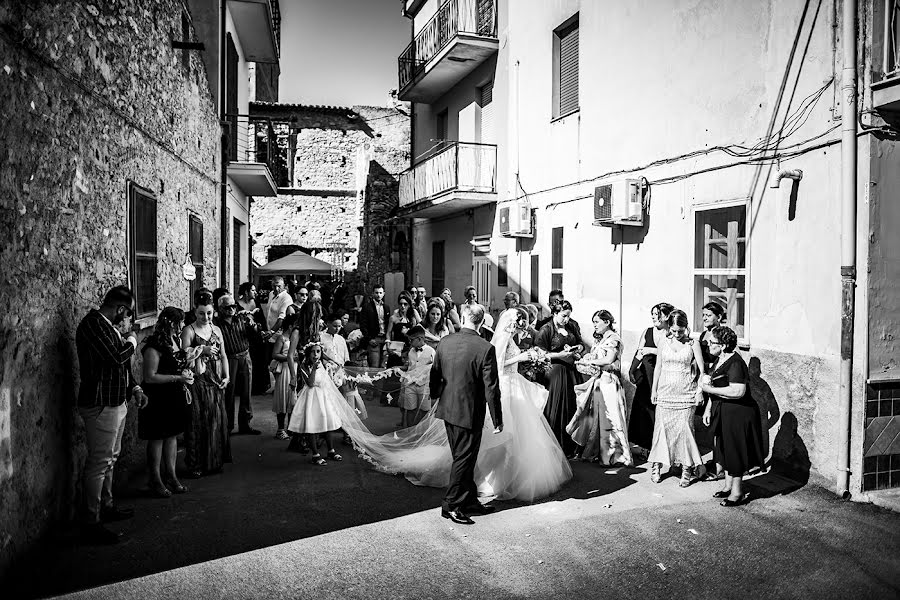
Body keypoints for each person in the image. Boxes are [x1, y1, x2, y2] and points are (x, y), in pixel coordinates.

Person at [75, 285, 147, 544]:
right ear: (119, 308)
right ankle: (91, 521)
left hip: (116, 402)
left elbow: (121, 370)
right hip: (101, 403)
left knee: (110, 458)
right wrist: (132, 341)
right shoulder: (94, 325)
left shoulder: (109, 327)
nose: (127, 318)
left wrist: (135, 387)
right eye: (126, 312)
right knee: (99, 462)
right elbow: (117, 358)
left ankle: (107, 505)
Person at [431, 303, 502, 524]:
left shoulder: (445, 341)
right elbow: (491, 387)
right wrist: (498, 418)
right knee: (464, 459)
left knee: (462, 457)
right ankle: (451, 505)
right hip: (469, 412)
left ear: (462, 317)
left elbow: (435, 374)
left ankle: (469, 500)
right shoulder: (485, 347)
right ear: (481, 321)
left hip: (447, 408)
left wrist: (436, 396)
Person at [700, 326, 765, 506]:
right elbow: (716, 386)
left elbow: (738, 391)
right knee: (724, 449)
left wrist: (709, 389)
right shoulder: (720, 359)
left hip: (738, 413)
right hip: (723, 410)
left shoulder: (735, 363)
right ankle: (728, 486)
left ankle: (737, 493)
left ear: (723, 345)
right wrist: (708, 408)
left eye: (712, 342)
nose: (708, 345)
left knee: (734, 450)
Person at [139, 307, 198, 498]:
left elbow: (176, 362)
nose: (182, 326)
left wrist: (188, 364)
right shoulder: (154, 345)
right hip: (156, 397)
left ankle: (171, 476)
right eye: (180, 322)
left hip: (172, 395)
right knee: (157, 437)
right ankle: (155, 479)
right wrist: (178, 378)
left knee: (171, 436)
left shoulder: (174, 340)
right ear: (172, 323)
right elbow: (149, 377)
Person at [566, 310, 633, 466]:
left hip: (609, 381)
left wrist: (591, 362)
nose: (594, 325)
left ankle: (616, 455)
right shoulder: (601, 339)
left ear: (607, 322)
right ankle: (599, 451)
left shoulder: (614, 339)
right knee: (598, 417)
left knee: (611, 416)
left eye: (597, 321)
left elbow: (609, 359)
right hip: (599, 381)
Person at [648, 309, 706, 487]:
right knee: (660, 430)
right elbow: (658, 367)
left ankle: (686, 468)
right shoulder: (663, 342)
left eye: (680, 331)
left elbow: (703, 372)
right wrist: (654, 390)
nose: (676, 334)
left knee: (685, 431)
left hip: (686, 393)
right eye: (673, 331)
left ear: (686, 327)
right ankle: (656, 466)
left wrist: (700, 391)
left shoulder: (692, 344)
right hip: (665, 393)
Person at [181, 292, 232, 478]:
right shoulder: (189, 330)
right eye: (202, 313)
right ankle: (196, 464)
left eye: (209, 313)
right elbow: (184, 356)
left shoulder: (217, 330)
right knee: (197, 421)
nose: (206, 317)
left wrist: (226, 376)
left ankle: (214, 460)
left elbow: (224, 355)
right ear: (195, 311)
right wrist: (202, 349)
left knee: (215, 420)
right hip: (198, 382)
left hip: (215, 380)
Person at [535, 300, 584, 457]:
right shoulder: (546, 329)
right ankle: (554, 445)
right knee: (556, 408)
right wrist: (560, 355)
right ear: (555, 313)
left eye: (569, 316)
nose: (566, 320)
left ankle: (571, 446)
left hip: (571, 372)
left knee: (571, 407)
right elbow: (539, 354)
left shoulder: (571, 327)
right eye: (564, 316)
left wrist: (577, 349)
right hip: (554, 373)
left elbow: (581, 343)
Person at [627, 302, 674, 455]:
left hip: (663, 377)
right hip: (645, 376)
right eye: (652, 315)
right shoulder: (647, 332)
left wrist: (652, 350)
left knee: (659, 412)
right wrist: (631, 370)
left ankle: (660, 447)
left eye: (657, 314)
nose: (653, 317)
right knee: (642, 410)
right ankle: (643, 446)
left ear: (666, 316)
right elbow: (639, 352)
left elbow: (674, 352)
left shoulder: (672, 333)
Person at [287, 342, 344, 465]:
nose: (316, 354)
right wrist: (313, 368)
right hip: (311, 397)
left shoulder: (322, 364)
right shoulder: (303, 366)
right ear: (308, 353)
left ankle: (331, 450)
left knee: (327, 422)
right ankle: (315, 454)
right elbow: (311, 383)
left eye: (318, 351)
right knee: (312, 424)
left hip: (323, 396)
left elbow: (328, 376)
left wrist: (332, 365)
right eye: (313, 351)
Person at [215, 294, 260, 435]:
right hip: (229, 359)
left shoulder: (242, 318)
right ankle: (227, 426)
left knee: (246, 391)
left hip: (245, 356)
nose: (231, 309)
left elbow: (254, 336)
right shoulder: (216, 323)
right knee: (229, 393)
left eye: (233, 306)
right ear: (220, 308)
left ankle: (245, 424)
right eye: (228, 307)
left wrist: (253, 326)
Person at [697, 301, 726, 480]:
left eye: (708, 315)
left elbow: (723, 359)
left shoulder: (721, 335)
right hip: (705, 381)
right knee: (710, 424)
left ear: (719, 317)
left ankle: (719, 467)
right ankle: (717, 460)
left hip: (716, 382)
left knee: (718, 425)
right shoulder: (703, 334)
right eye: (703, 315)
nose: (704, 318)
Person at [397, 325, 434, 428]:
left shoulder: (431, 351)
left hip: (424, 385)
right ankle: (409, 432)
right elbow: (410, 367)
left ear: (419, 339)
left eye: (411, 340)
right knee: (410, 409)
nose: (410, 343)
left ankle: (421, 433)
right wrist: (399, 369)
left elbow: (435, 369)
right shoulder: (411, 351)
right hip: (410, 384)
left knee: (424, 410)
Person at [270, 325, 293, 440]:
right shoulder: (282, 338)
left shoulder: (296, 337)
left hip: (295, 368)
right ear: (291, 326)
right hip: (285, 369)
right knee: (283, 397)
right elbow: (275, 354)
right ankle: (280, 429)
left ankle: (291, 427)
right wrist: (290, 358)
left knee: (292, 399)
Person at [360, 284, 390, 369]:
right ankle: (374, 382)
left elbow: (387, 324)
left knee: (384, 365)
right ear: (373, 294)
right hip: (374, 338)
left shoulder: (386, 307)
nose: (378, 295)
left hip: (384, 338)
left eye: (380, 293)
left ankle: (382, 382)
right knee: (374, 365)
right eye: (376, 293)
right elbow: (363, 324)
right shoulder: (367, 307)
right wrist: (369, 338)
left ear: (384, 293)